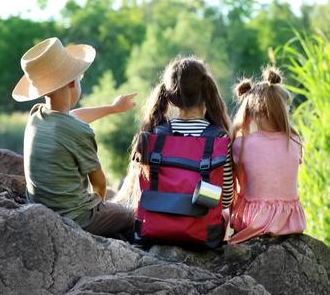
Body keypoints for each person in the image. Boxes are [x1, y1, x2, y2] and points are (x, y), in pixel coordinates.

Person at [12, 37, 136, 241]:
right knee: (129, 215)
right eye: (79, 78)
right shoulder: (79, 132)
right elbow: (99, 184)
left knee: (113, 203)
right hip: (74, 218)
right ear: (71, 82)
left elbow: (72, 116)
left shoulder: (37, 115)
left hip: (40, 206)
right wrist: (99, 207)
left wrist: (113, 109)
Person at [115, 56, 234, 215]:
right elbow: (225, 199)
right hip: (202, 231)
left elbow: (142, 193)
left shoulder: (154, 135)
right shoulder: (218, 139)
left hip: (155, 226)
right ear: (206, 90)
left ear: (171, 97)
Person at [227, 67, 306, 244]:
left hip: (254, 222)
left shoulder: (242, 144)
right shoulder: (294, 140)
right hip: (291, 221)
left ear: (253, 114)